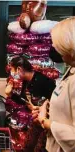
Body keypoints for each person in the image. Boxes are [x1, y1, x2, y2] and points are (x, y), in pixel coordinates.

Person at [33, 17, 75, 152]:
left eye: (56, 44)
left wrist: (45, 122)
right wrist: (49, 108)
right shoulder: (71, 70)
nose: (54, 48)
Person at [5, 56, 56, 152]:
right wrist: (11, 94)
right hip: (36, 119)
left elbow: (55, 101)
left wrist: (42, 108)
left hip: (47, 121)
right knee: (28, 146)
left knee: (39, 148)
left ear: (19, 69)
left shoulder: (42, 80)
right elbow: (24, 101)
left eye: (12, 70)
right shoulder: (26, 81)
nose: (12, 74)